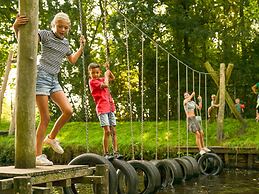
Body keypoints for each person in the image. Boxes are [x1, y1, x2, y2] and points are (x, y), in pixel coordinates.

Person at [13, 13, 86, 166]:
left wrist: (81, 48)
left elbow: (72, 60)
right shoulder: (45, 35)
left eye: (65, 27)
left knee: (68, 111)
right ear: (53, 25)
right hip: (41, 77)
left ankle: (51, 138)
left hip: (54, 80)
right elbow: (25, 42)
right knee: (45, 118)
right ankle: (37, 155)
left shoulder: (65, 43)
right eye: (60, 26)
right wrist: (16, 27)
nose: (62, 29)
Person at [88, 62, 122, 159]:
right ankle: (106, 153)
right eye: (93, 73)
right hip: (102, 108)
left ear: (100, 72)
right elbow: (106, 84)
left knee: (114, 131)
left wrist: (108, 70)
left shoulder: (101, 79)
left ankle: (116, 152)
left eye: (97, 72)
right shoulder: (93, 82)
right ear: (90, 74)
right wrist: (106, 75)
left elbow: (112, 78)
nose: (95, 75)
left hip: (110, 107)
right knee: (107, 131)